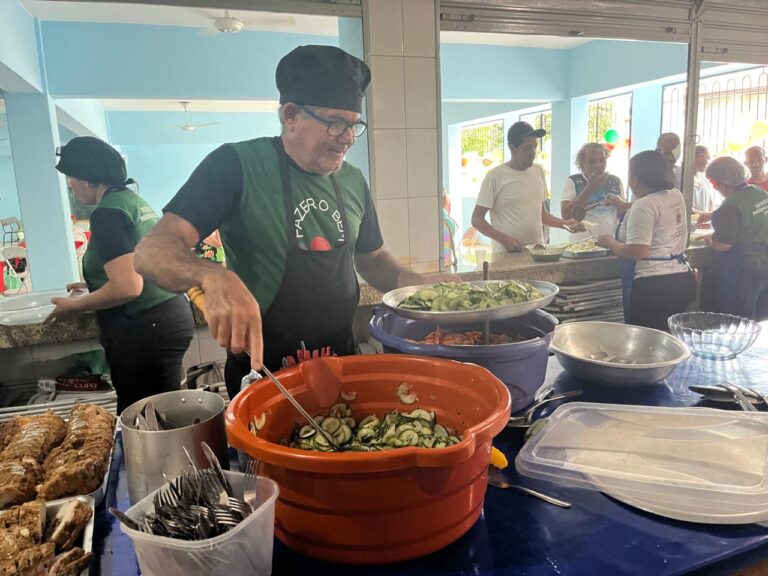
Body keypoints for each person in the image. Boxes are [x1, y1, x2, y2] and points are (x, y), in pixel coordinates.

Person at [133, 45, 453, 399]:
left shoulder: (352, 180)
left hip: (342, 370)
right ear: (290, 115)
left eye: (353, 125)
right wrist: (211, 276)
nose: (348, 137)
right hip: (264, 377)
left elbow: (372, 259)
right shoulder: (236, 165)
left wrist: (417, 286)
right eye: (335, 123)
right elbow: (152, 252)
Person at [48, 137, 195, 413]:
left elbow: (128, 286)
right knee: (162, 412)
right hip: (169, 316)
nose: (70, 185)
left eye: (72, 177)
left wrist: (74, 306)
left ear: (89, 178)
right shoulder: (131, 201)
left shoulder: (106, 213)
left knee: (141, 417)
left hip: (145, 326)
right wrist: (95, 282)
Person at [597, 150, 696, 331]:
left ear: (634, 179)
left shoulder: (643, 206)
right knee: (671, 338)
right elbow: (654, 206)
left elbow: (636, 252)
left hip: (654, 288)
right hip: (681, 279)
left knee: (646, 340)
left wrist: (610, 242)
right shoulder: (675, 194)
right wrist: (623, 205)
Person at [471, 121, 579, 252]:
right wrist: (504, 239)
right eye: (527, 148)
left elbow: (541, 215)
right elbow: (476, 219)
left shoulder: (538, 171)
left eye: (535, 147)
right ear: (512, 147)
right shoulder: (495, 176)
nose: (533, 153)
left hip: (537, 253)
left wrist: (565, 224)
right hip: (507, 256)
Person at [703, 156, 768, 320]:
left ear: (723, 183)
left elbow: (723, 245)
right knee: (760, 317)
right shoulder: (758, 192)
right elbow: (750, 212)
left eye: (713, 183)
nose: (715, 188)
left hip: (743, 269)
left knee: (738, 320)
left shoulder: (730, 205)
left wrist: (710, 239)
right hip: (764, 265)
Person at [560, 142, 625, 240]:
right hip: (580, 243)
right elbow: (565, 214)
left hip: (609, 242)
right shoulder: (574, 181)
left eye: (602, 161)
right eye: (592, 162)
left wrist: (619, 204)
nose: (598, 165)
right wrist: (590, 188)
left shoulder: (615, 182)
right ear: (582, 164)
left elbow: (621, 215)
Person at [692, 145, 718, 213]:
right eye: (708, 158)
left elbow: (711, 204)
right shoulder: (683, 180)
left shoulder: (705, 182)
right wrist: (703, 215)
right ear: (700, 157)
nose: (708, 163)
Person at [442, 189, 458, 271]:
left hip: (442, 263)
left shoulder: (443, 221)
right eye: (449, 205)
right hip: (445, 263)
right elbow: (452, 236)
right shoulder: (446, 221)